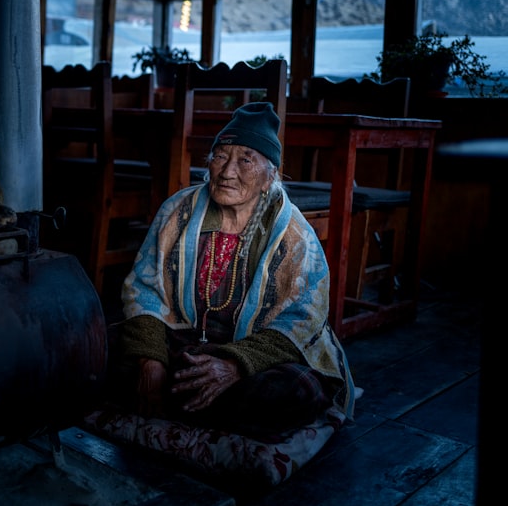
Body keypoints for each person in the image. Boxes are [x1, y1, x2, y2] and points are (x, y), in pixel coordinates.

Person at [106, 101, 355, 441]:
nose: (227, 171)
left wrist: (234, 366)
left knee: (297, 390)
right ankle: (192, 399)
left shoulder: (292, 233)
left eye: (245, 160)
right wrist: (151, 361)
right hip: (185, 338)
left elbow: (302, 317)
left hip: (252, 356)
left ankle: (181, 399)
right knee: (98, 346)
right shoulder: (177, 211)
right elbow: (144, 288)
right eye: (221, 156)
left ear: (271, 177)